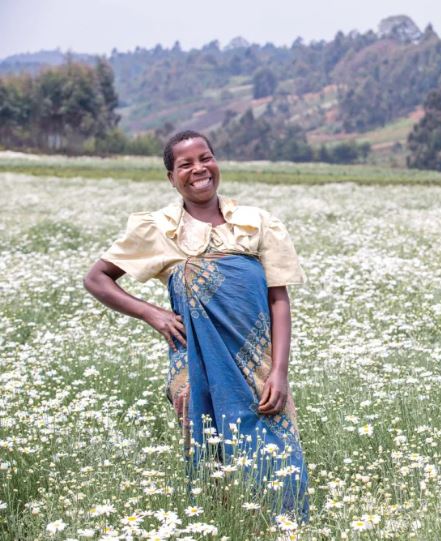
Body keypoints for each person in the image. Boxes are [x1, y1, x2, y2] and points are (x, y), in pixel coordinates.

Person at [84, 130, 309, 519]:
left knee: (280, 464)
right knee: (212, 462)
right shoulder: (157, 228)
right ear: (171, 177)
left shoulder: (257, 223)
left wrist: (280, 371)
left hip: (258, 365)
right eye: (185, 164)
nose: (198, 169)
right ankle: (222, 526)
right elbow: (97, 278)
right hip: (193, 367)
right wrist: (151, 314)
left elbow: (279, 299)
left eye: (205, 158)